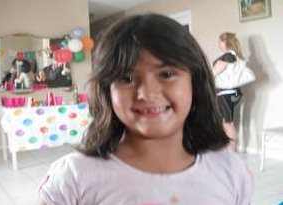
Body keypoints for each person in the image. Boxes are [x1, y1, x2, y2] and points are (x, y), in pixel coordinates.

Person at [38, 14, 253, 205]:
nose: (148, 93)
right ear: (107, 90)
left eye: (167, 74)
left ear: (194, 82)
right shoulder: (73, 178)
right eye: (127, 78)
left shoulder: (230, 171)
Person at [212, 32, 244, 150]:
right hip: (232, 93)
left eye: (220, 41)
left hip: (226, 94)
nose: (219, 43)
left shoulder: (228, 56)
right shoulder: (234, 55)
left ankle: (230, 151)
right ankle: (228, 148)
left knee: (227, 123)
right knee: (226, 122)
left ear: (226, 42)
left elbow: (214, 73)